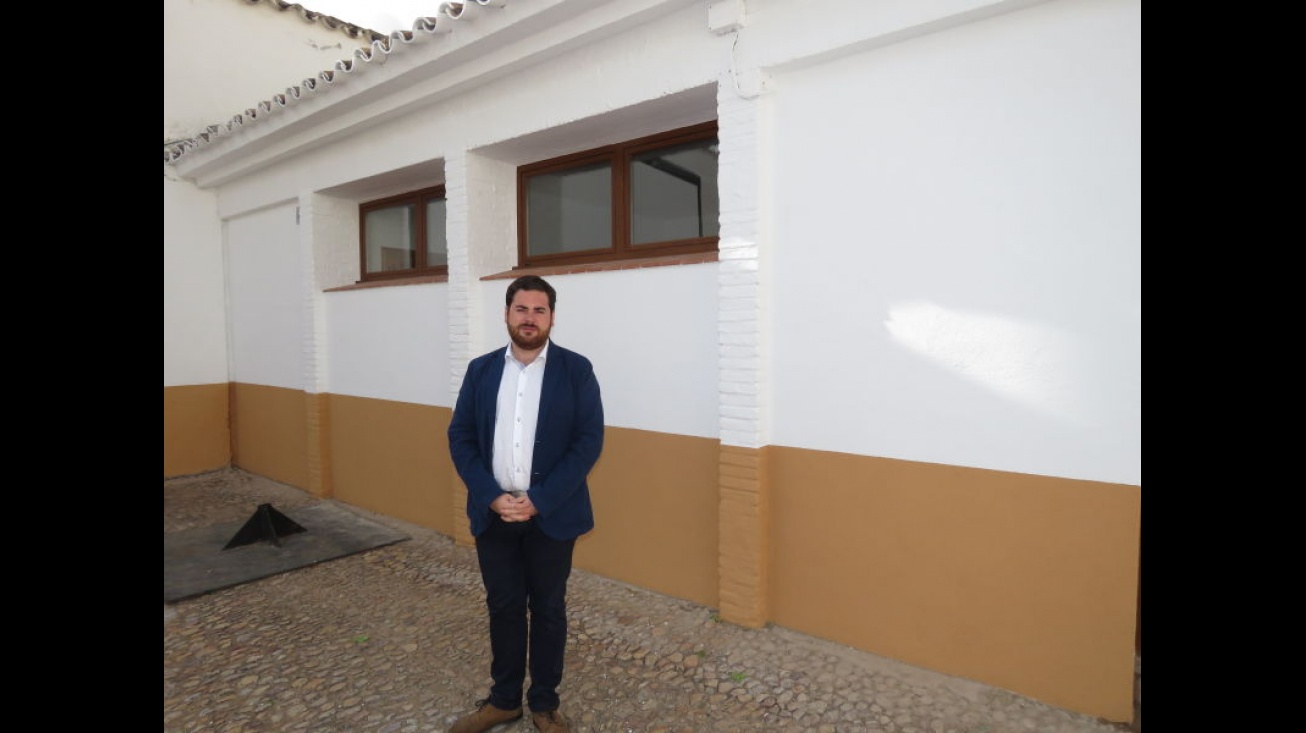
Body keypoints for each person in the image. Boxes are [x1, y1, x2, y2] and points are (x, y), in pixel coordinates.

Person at [447, 275, 604, 733]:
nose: (529, 318)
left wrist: (538, 500)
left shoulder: (576, 370)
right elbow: (461, 437)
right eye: (521, 309)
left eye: (539, 310)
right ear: (507, 314)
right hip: (494, 515)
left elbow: (588, 441)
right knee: (504, 606)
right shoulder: (481, 370)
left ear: (552, 317)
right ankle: (503, 701)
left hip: (552, 515)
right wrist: (492, 496)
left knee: (550, 609)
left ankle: (544, 704)